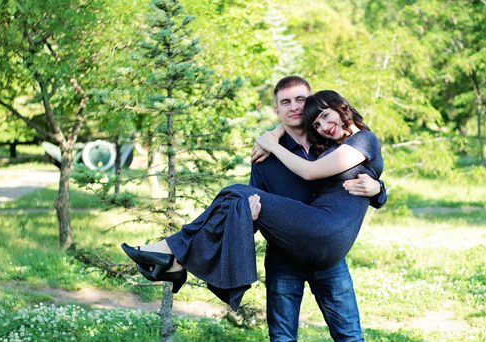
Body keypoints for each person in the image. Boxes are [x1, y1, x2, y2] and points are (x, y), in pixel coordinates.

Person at [121, 89, 384, 319]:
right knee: (235, 197)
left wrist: (379, 190)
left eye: (326, 115)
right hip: (297, 246)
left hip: (325, 234)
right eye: (316, 123)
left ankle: (173, 253)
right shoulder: (325, 147)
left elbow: (310, 172)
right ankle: (176, 258)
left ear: (342, 107)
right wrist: (275, 134)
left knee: (349, 336)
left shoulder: (363, 140)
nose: (324, 126)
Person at [249, 76, 386, 342]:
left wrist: (378, 190)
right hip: (283, 258)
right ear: (278, 110)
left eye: (301, 99)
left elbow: (361, 176)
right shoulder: (264, 159)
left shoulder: (330, 145)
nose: (294, 107)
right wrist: (250, 219)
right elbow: (257, 203)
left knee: (350, 339)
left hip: (328, 258)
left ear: (311, 102)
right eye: (285, 102)